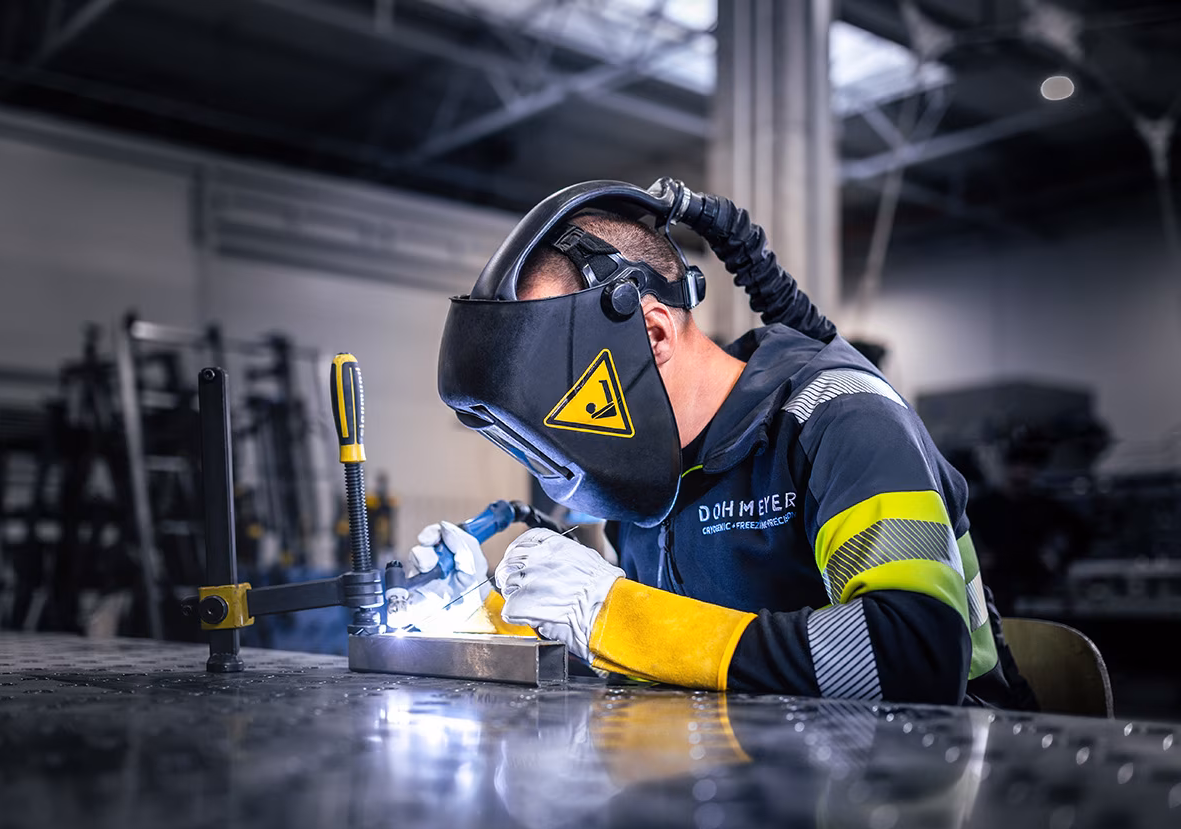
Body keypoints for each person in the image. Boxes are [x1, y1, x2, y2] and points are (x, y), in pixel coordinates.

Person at [412, 179, 1035, 709]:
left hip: (935, 791)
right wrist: (488, 617)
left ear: (653, 333)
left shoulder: (839, 418)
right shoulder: (651, 476)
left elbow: (914, 659)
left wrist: (614, 614)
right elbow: (670, 653)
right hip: (755, 784)